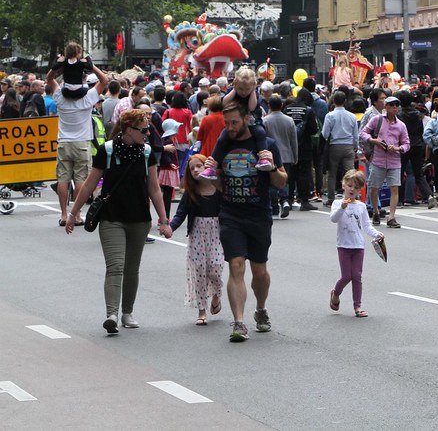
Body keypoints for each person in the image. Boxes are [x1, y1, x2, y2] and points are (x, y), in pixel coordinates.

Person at [65, 108, 172, 333]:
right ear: (128, 129)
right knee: (115, 266)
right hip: (112, 217)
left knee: (132, 268)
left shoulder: (147, 153)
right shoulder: (107, 150)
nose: (147, 133)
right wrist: (73, 214)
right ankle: (111, 314)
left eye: (148, 129)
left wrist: (164, 220)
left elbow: (154, 188)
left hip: (139, 219)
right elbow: (90, 184)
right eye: (143, 130)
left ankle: (127, 312)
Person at [209, 101, 287, 342]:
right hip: (231, 214)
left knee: (259, 271)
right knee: (236, 265)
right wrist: (213, 178)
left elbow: (281, 181)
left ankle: (260, 308)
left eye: (234, 122)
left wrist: (272, 167)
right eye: (227, 123)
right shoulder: (223, 146)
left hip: (259, 214)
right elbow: (216, 180)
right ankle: (239, 322)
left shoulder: (266, 145)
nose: (230, 127)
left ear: (246, 120)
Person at [48, 65, 108, 226]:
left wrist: (56, 66)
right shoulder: (88, 96)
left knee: (63, 178)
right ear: (83, 80)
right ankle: (77, 214)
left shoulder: (60, 95)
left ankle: (63, 214)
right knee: (81, 178)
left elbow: (49, 79)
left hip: (64, 142)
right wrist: (91, 65)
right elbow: (104, 80)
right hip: (82, 142)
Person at [170, 155, 224, 326]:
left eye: (198, 166)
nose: (195, 170)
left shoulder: (218, 189)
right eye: (192, 168)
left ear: (206, 167)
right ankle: (202, 310)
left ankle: (216, 294)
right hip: (197, 233)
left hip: (216, 232)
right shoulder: (191, 192)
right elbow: (180, 214)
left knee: (215, 267)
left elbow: (229, 211)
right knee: (200, 270)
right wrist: (170, 228)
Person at [329, 169, 384, 318]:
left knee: (357, 276)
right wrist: (342, 208)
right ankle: (336, 293)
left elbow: (366, 225)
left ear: (360, 189)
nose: (352, 189)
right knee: (346, 276)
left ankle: (357, 306)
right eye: (349, 185)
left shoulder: (361, 206)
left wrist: (377, 233)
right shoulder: (337, 203)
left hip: (358, 246)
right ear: (343, 185)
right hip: (343, 245)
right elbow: (333, 219)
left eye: (356, 187)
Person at [200, 68, 272, 179]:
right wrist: (234, 89)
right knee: (221, 139)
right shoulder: (232, 91)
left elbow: (251, 107)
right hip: (235, 124)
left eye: (247, 89)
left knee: (261, 133)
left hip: (253, 122)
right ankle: (211, 166)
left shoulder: (253, 93)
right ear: (235, 84)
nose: (243, 92)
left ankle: (264, 158)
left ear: (252, 86)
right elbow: (224, 102)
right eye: (240, 88)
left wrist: (252, 90)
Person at [360, 95, 410, 227]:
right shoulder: (377, 120)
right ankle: (376, 211)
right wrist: (373, 140)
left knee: (394, 188)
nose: (395, 107)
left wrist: (398, 148)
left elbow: (406, 144)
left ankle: (391, 217)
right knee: (374, 188)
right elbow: (363, 132)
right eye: (392, 105)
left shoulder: (401, 125)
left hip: (394, 160)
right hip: (378, 159)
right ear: (386, 107)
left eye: (396, 105)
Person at [262, 94, 298, 217]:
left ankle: (274, 206)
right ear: (282, 105)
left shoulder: (265, 121)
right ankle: (285, 200)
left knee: (272, 182)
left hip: (270, 156)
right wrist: (295, 156)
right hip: (287, 155)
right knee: (284, 180)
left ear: (269, 105)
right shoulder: (289, 120)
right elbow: (294, 140)